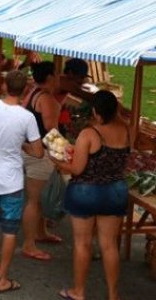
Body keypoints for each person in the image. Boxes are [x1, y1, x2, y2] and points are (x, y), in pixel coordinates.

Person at [50, 91, 129, 300]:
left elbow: (76, 169)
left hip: (86, 192)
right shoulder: (126, 130)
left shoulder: (89, 134)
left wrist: (57, 162)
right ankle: (113, 295)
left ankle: (79, 291)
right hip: (115, 191)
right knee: (109, 245)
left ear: (94, 110)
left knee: (83, 243)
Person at [0, 70, 44, 293]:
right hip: (11, 180)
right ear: (24, 91)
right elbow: (39, 152)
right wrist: (22, 145)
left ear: (3, 87)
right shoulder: (26, 117)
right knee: (10, 229)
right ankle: (3, 277)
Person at [21, 61, 63, 261]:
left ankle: (41, 231)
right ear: (49, 77)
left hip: (30, 149)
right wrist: (64, 155)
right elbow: (51, 131)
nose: (59, 78)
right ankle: (29, 244)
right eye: (56, 74)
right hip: (40, 155)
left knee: (39, 200)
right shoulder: (46, 99)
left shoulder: (33, 92)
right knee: (35, 201)